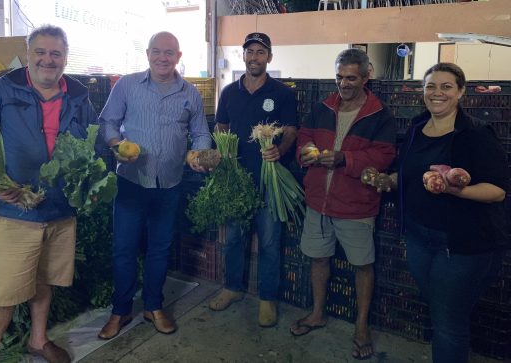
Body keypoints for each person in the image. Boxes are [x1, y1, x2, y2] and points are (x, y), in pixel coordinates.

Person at [0, 25, 98, 363]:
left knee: (45, 279)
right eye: (40, 51)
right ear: (28, 54)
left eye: (56, 53)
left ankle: (38, 340)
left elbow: (92, 144)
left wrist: (91, 185)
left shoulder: (78, 95)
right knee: (4, 291)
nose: (48, 59)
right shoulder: (0, 90)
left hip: (60, 207)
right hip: (17, 208)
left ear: (66, 58)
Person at [371, 63, 509, 363]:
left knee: (448, 324)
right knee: (441, 310)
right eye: (431, 86)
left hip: (461, 246)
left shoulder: (474, 135)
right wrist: (387, 179)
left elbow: (497, 191)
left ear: (460, 92)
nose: (437, 93)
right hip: (420, 238)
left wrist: (455, 190)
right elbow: (408, 173)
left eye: (446, 86)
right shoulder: (417, 128)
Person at [97, 31, 212, 339]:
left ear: (178, 56)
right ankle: (120, 311)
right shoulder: (127, 85)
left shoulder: (190, 94)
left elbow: (201, 133)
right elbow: (108, 122)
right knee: (124, 248)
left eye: (169, 52)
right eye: (157, 52)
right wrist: (116, 143)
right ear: (147, 54)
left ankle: (153, 306)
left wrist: (199, 152)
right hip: (131, 183)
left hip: (171, 183)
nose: (163, 57)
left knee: (159, 249)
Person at [291, 48, 396, 360]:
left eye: (351, 78)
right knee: (318, 259)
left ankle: (361, 326)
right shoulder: (322, 106)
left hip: (356, 206)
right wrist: (307, 150)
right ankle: (318, 313)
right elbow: (303, 139)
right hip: (318, 203)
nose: (344, 83)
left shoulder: (380, 115)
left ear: (366, 77)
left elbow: (384, 155)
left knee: (362, 266)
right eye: (339, 77)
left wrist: (344, 159)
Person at [208, 32, 297, 327]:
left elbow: (291, 130)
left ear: (269, 57)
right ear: (243, 56)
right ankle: (233, 288)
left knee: (270, 242)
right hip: (237, 180)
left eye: (261, 52)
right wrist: (224, 150)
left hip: (269, 180)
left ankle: (267, 299)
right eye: (250, 52)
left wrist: (279, 149)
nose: (255, 57)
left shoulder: (282, 94)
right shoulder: (230, 92)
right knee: (234, 238)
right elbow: (221, 125)